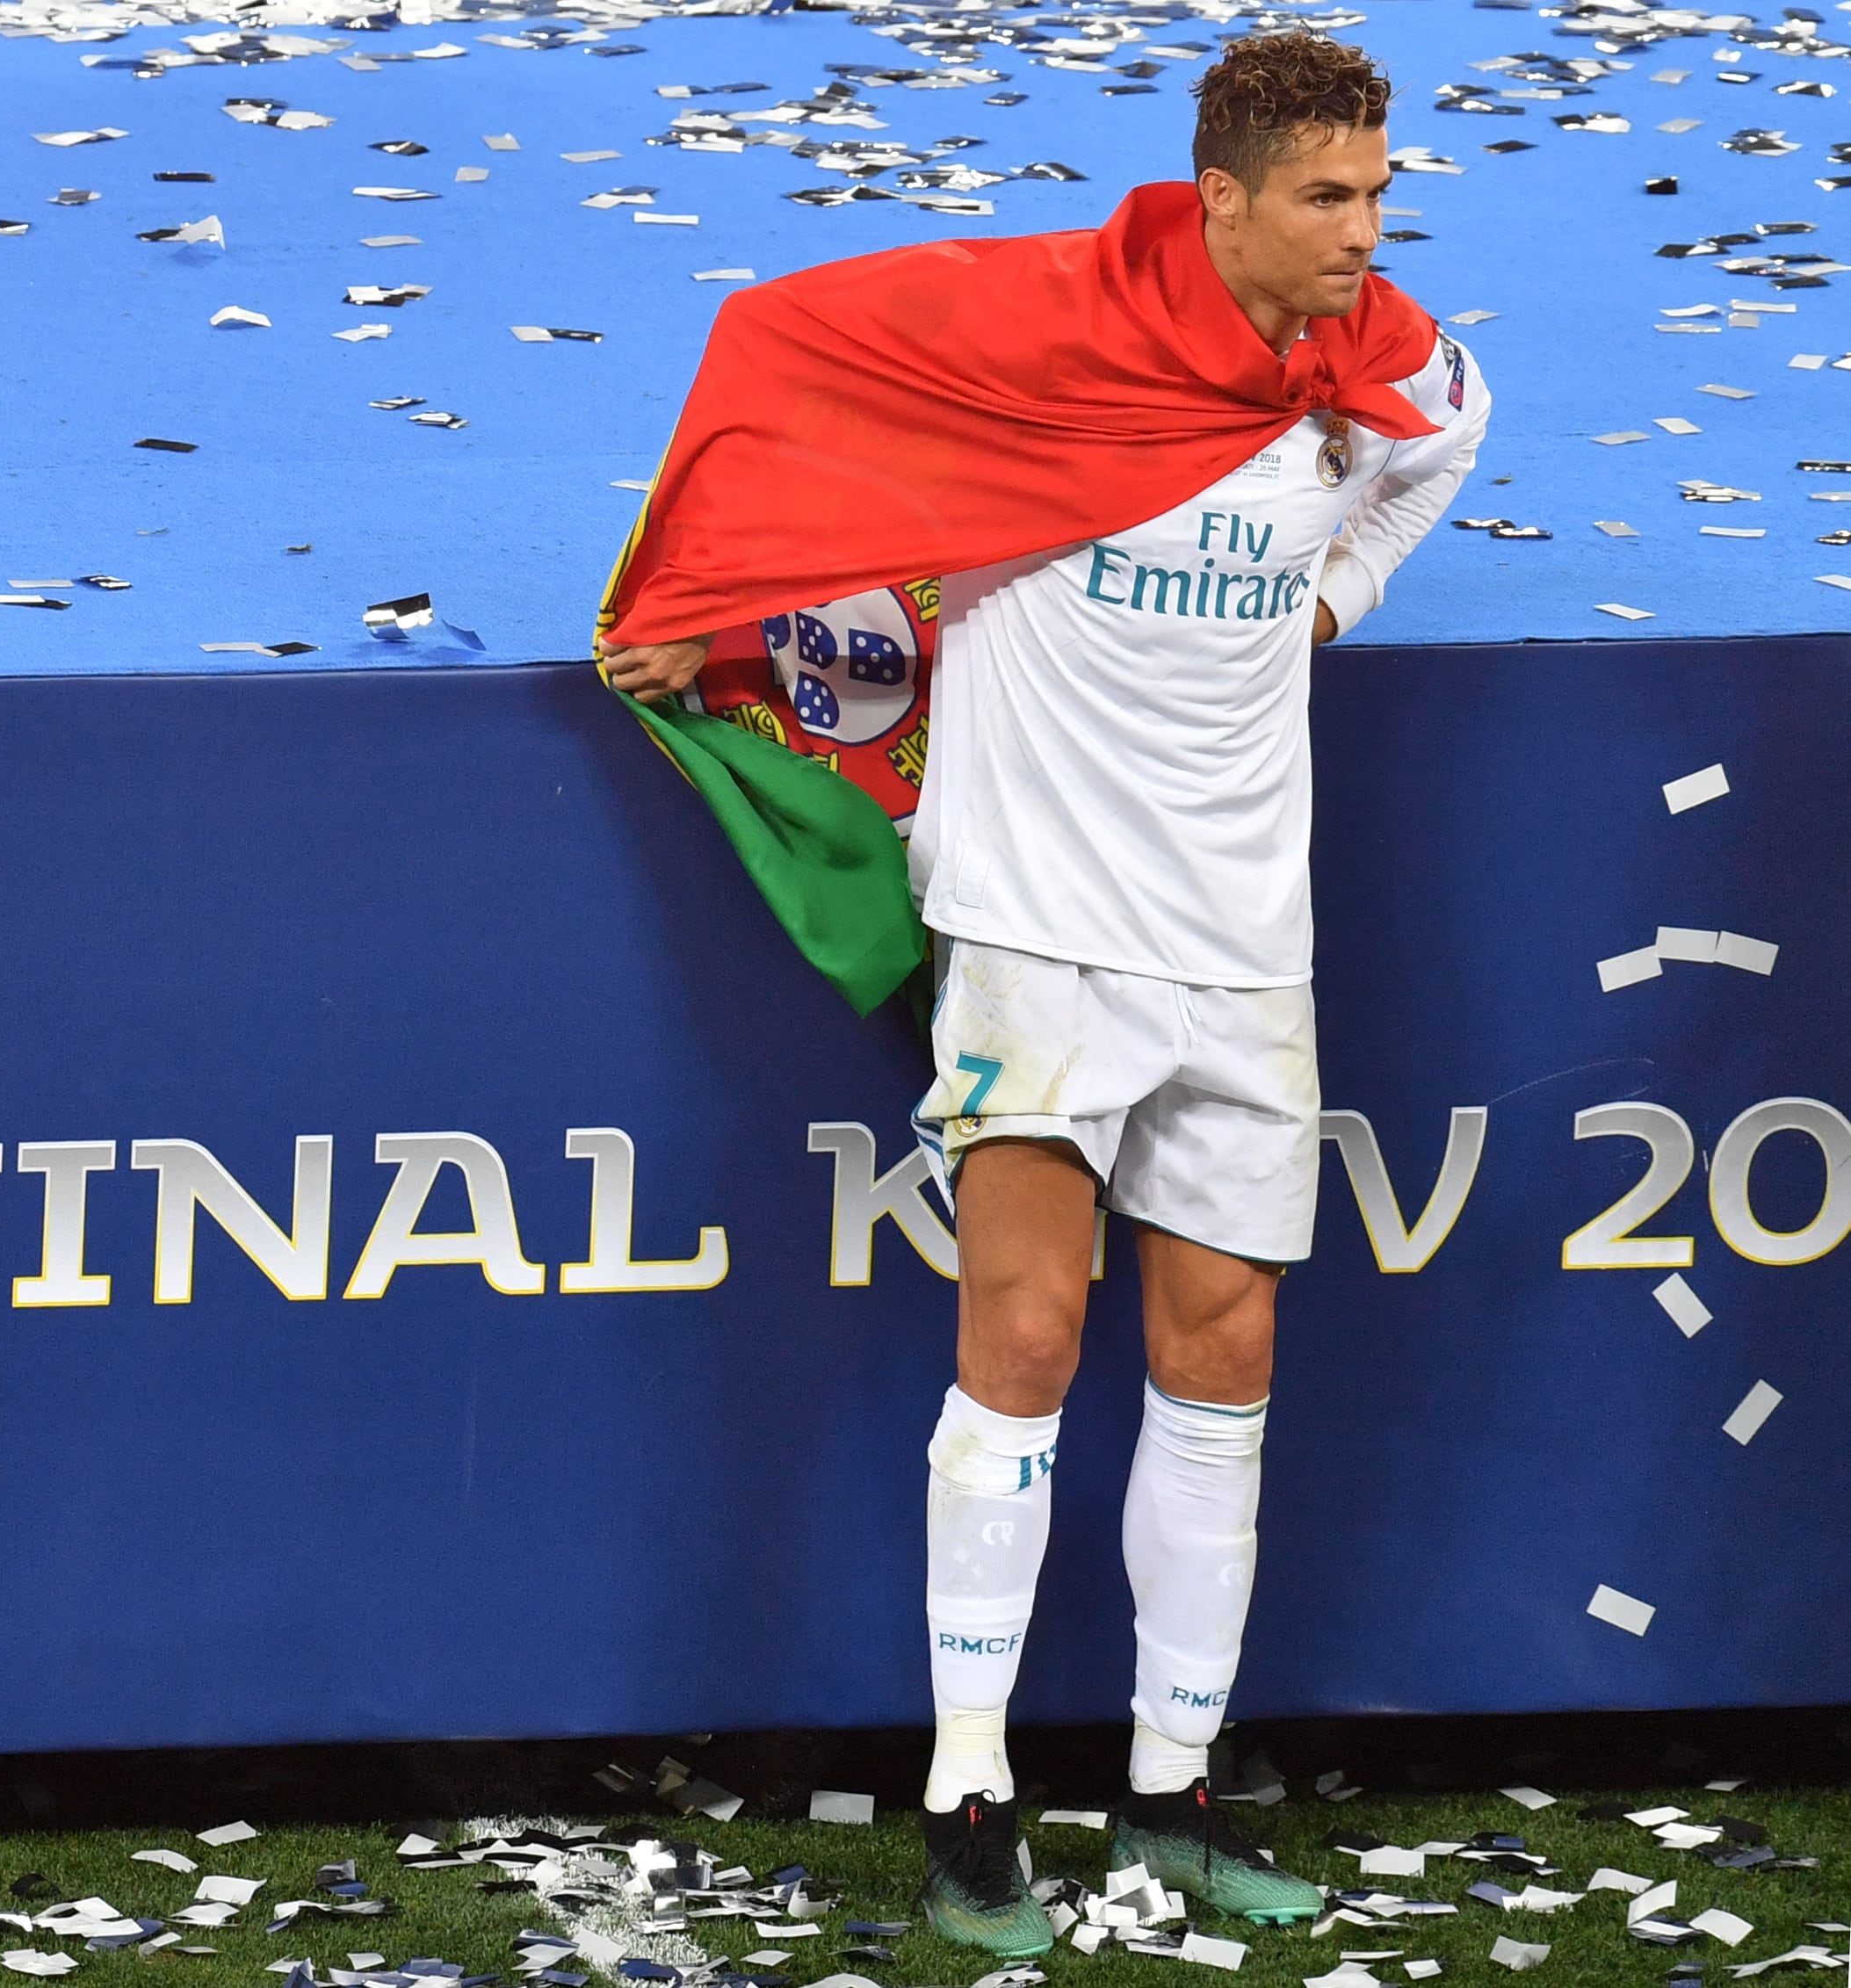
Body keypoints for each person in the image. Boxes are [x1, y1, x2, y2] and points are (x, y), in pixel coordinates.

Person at [600, 32, 1489, 1960]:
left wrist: (1331, 602)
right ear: (1224, 197)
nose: (1365, 231)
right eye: (1327, 198)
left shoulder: (1369, 369)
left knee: (1225, 1346)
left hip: (1248, 931)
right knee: (1020, 1334)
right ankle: (971, 1792)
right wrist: (716, 609)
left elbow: (1443, 448)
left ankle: (1171, 1790)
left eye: (1377, 192)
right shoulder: (1047, 370)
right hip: (1039, 917)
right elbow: (801, 384)